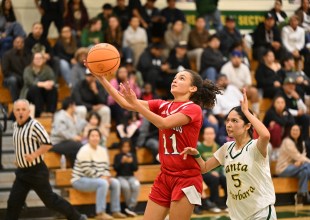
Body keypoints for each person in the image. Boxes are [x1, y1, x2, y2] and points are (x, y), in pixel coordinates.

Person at [89, 65, 221, 220]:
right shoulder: (162, 104)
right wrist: (101, 78)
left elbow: (163, 123)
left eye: (181, 78)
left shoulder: (193, 109)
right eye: (175, 77)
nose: (175, 80)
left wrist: (137, 104)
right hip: (165, 176)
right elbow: (125, 103)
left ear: (192, 88)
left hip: (187, 179)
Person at [181, 89, 277, 220]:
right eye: (227, 120)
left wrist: (246, 112)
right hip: (238, 215)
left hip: (260, 213)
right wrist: (197, 154)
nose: (229, 125)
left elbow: (265, 135)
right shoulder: (226, 148)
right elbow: (204, 168)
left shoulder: (255, 146)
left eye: (234, 121)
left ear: (247, 126)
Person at [4, 99, 87, 220]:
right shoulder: (15, 125)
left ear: (28, 111)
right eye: (17, 110)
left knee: (50, 201)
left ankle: (77, 217)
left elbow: (47, 144)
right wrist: (19, 158)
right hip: (22, 172)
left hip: (37, 172)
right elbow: (21, 144)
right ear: (14, 112)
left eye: (23, 109)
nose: (20, 112)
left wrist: (33, 155)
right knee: (13, 203)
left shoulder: (34, 125)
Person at [71, 128, 126, 220]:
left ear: (100, 138)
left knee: (115, 182)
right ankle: (100, 213)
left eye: (97, 136)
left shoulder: (103, 150)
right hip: (80, 179)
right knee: (103, 183)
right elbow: (86, 170)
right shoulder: (84, 150)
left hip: (97, 178)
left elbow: (106, 168)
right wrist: (102, 177)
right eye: (92, 136)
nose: (95, 138)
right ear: (88, 138)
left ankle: (115, 211)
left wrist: (107, 176)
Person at [275, 124, 310, 205]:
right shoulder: (287, 141)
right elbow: (297, 156)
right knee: (306, 166)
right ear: (290, 131)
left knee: (304, 172)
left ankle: (301, 196)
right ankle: (304, 194)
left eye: (297, 130)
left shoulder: (301, 143)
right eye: (293, 130)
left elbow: (302, 157)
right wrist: (302, 161)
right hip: (283, 169)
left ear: (300, 132)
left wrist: (300, 161)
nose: (295, 132)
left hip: (296, 168)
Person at [113, 138, 140, 217]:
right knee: (125, 186)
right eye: (124, 146)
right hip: (120, 177)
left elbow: (136, 168)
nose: (126, 148)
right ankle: (129, 207)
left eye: (127, 147)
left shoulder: (133, 156)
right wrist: (121, 162)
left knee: (136, 185)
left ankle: (130, 207)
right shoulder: (117, 156)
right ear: (121, 147)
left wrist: (131, 163)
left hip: (131, 177)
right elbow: (115, 168)